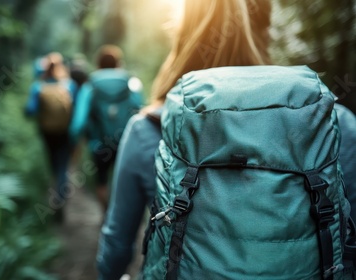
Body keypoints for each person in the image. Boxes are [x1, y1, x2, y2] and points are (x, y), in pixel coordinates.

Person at [96, 0, 356, 279]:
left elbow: (117, 244)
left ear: (182, 33)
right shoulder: (331, 124)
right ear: (265, 31)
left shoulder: (149, 129)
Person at [69, 45, 143, 211]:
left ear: (98, 64)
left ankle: (106, 214)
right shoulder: (130, 81)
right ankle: (122, 216)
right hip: (125, 141)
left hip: (99, 143)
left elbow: (79, 121)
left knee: (101, 180)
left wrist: (75, 139)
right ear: (118, 63)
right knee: (122, 180)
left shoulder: (91, 85)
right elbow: (140, 109)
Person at [25, 52, 77, 220]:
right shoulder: (69, 85)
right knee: (63, 165)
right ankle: (60, 198)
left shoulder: (38, 87)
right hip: (65, 132)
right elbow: (76, 110)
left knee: (54, 163)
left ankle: (55, 190)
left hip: (47, 133)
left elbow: (30, 110)